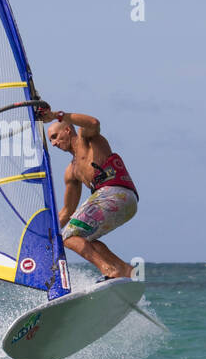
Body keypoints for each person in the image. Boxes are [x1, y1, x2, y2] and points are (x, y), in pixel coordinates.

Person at [37, 108, 138, 280]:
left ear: (67, 130)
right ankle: (127, 272)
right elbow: (67, 212)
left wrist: (56, 115)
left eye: (54, 137)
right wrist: (46, 235)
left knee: (68, 236)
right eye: (50, 140)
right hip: (126, 203)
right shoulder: (71, 171)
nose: (53, 143)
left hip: (115, 193)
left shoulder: (87, 139)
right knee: (84, 240)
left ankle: (108, 270)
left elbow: (94, 123)